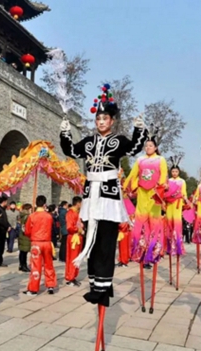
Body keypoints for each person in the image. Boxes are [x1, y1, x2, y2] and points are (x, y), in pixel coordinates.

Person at [59, 83, 147, 350]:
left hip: (108, 194)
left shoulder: (118, 140)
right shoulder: (88, 141)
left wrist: (139, 130)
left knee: (107, 240)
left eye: (105, 118)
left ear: (112, 120)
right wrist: (64, 132)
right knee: (92, 241)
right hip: (90, 195)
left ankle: (104, 285)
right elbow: (71, 151)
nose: (100, 122)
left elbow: (134, 148)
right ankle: (97, 283)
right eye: (97, 118)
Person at [124, 131, 167, 313]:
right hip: (142, 194)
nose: (148, 147)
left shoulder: (161, 160)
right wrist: (127, 186)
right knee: (141, 220)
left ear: (155, 147)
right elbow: (133, 175)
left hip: (154, 195)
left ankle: (155, 248)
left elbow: (163, 176)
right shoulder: (140, 160)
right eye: (146, 145)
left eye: (150, 145)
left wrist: (161, 187)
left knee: (155, 222)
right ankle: (139, 248)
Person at [164, 155, 189, 290]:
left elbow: (184, 193)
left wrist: (187, 201)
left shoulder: (182, 181)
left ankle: (178, 244)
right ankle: (168, 244)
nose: (174, 173)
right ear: (170, 172)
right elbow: (164, 193)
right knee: (168, 224)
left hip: (178, 204)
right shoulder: (167, 181)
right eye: (172, 171)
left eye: (176, 171)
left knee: (177, 225)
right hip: (169, 205)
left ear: (178, 172)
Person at [23, 195, 56, 295]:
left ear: (36, 204)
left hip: (36, 243)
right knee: (49, 264)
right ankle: (51, 285)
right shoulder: (49, 216)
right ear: (45, 204)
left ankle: (33, 289)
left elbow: (27, 231)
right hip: (47, 242)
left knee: (36, 266)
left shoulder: (32, 216)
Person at [65, 196, 83, 286]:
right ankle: (70, 277)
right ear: (78, 203)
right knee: (73, 258)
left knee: (77, 258)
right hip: (73, 237)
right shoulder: (70, 213)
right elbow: (69, 227)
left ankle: (74, 276)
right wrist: (79, 229)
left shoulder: (77, 213)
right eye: (81, 203)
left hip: (78, 237)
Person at [17, 203, 32, 272]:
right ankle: (24, 266)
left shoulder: (21, 215)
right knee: (24, 251)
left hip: (21, 234)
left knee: (22, 251)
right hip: (25, 235)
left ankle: (21, 265)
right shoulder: (28, 216)